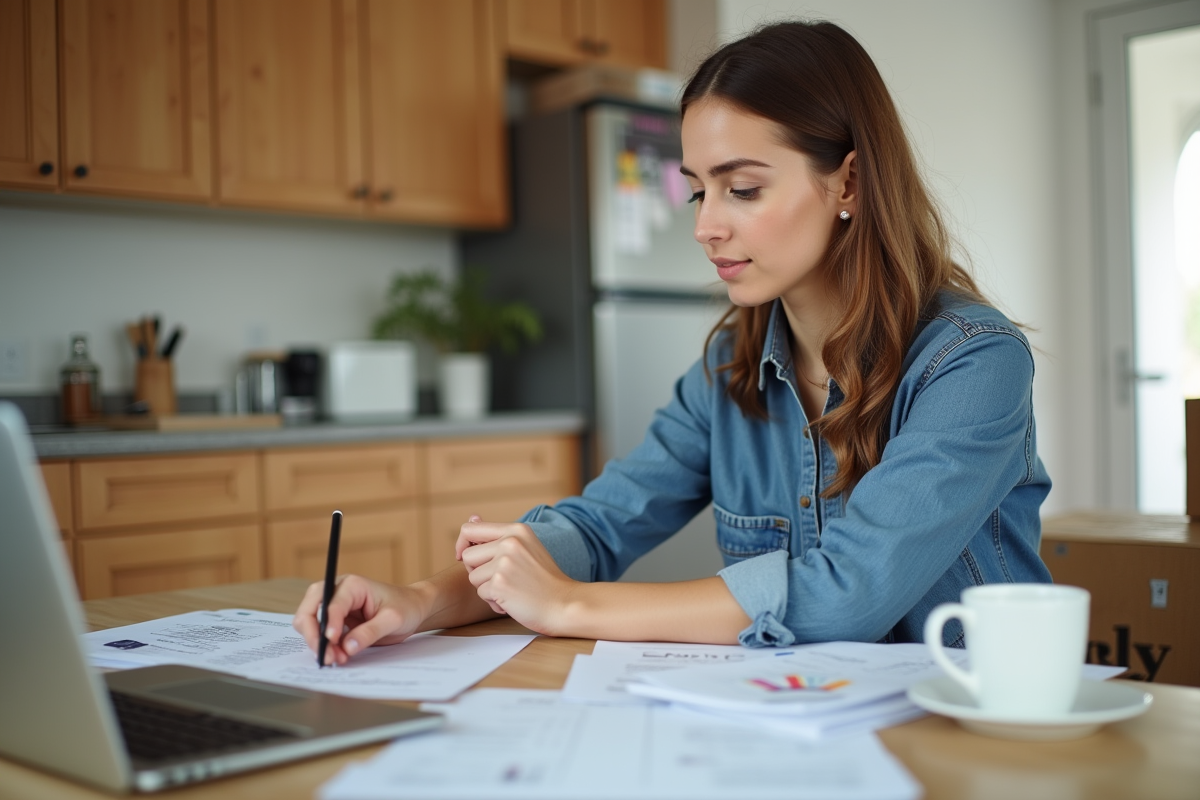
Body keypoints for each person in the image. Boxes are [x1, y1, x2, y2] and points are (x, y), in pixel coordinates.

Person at [294, 20, 1052, 664]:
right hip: (804, 728)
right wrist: (419, 602)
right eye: (697, 188)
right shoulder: (729, 370)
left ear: (848, 184)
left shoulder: (972, 362)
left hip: (976, 731)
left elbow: (845, 595)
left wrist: (572, 608)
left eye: (742, 188)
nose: (705, 225)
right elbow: (597, 526)